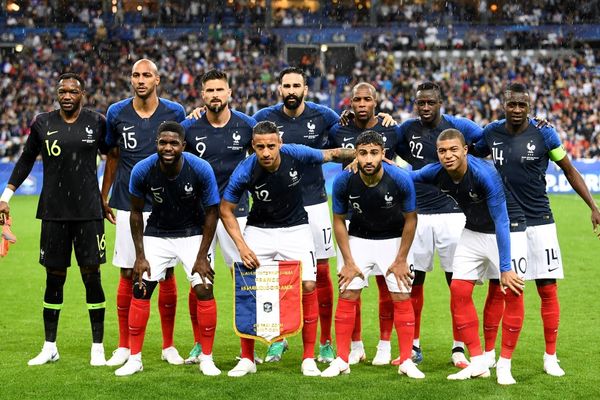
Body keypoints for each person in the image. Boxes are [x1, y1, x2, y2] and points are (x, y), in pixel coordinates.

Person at [474, 82, 600, 377]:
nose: (517, 110)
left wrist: (593, 207)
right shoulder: (491, 134)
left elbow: (569, 170)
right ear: (503, 105)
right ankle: (490, 354)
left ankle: (550, 356)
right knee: (501, 288)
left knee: (547, 289)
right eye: (511, 104)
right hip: (507, 224)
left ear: (529, 106)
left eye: (522, 105)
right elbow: (468, 152)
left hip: (541, 220)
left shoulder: (545, 133)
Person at [220, 121, 356, 377]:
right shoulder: (245, 170)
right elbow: (225, 209)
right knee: (249, 288)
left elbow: (332, 154)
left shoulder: (295, 153)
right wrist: (242, 245)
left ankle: (307, 358)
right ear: (253, 147)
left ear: (279, 144)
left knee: (308, 285)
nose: (266, 152)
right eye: (260, 147)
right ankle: (248, 358)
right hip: (259, 231)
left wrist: (360, 155)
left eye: (271, 146)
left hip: (296, 229)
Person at [0, 73, 109, 366]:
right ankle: (50, 346)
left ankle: (97, 347)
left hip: (88, 214)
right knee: (53, 279)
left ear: (82, 94)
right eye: (63, 90)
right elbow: (25, 160)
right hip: (53, 213)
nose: (67, 95)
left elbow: (114, 156)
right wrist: (6, 196)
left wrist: (105, 195)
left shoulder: (97, 122)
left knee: (92, 278)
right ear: (56, 93)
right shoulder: (42, 123)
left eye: (73, 91)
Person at [412, 129, 526, 385]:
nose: (448, 155)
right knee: (459, 291)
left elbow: (501, 219)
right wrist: (379, 168)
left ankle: (504, 365)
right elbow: (408, 177)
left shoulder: (484, 174)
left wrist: (505, 267)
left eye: (454, 149)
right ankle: (478, 362)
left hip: (509, 229)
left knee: (513, 292)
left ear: (465, 150)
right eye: (442, 151)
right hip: (473, 231)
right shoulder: (435, 172)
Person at [114, 121, 221, 377]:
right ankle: (135, 359)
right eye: (163, 142)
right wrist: (139, 256)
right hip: (157, 234)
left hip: (193, 233)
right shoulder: (142, 169)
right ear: (156, 144)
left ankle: (207, 358)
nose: (168, 147)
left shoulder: (200, 169)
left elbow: (212, 213)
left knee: (204, 289)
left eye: (174, 143)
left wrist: (202, 256)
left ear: (183, 145)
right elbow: (136, 213)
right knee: (140, 289)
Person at [102, 59, 187, 367]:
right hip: (127, 202)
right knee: (128, 271)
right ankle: (124, 346)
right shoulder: (117, 113)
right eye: (136, 75)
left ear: (157, 79)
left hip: (165, 203)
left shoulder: (174, 112)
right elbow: (113, 155)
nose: (140, 80)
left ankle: (168, 345)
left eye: (146, 75)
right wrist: (104, 194)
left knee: (166, 274)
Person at [252, 67, 339, 363]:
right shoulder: (265, 118)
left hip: (314, 204)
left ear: (305, 88)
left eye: (296, 85)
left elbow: (349, 135)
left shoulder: (323, 116)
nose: (291, 90)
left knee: (321, 274)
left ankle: (325, 340)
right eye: (286, 85)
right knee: (271, 277)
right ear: (279, 89)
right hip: (276, 210)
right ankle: (277, 338)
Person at [322, 131, 424, 379]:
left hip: (394, 240)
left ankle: (406, 361)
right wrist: (347, 261)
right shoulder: (344, 181)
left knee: (401, 295)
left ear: (383, 154)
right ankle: (342, 359)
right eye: (363, 153)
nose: (368, 159)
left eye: (374, 153)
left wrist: (401, 259)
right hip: (358, 240)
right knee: (347, 293)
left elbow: (411, 219)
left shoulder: (400, 178)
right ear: (356, 154)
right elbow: (338, 221)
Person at [395, 81, 483, 368]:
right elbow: (383, 143)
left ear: (440, 102)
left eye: (430, 102)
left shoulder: (459, 127)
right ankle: (414, 345)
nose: (424, 107)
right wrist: (380, 120)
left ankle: (459, 347)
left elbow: (492, 138)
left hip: (453, 215)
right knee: (414, 283)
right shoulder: (407, 129)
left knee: (456, 284)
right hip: (418, 216)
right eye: (420, 102)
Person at [180, 69, 257, 364]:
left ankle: (248, 352)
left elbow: (265, 159)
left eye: (219, 90)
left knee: (245, 280)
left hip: (237, 213)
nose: (214, 95)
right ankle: (200, 345)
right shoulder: (190, 129)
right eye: (209, 90)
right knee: (198, 280)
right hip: (198, 217)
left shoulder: (247, 126)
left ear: (229, 93)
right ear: (202, 95)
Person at [326, 82, 403, 365]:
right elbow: (323, 151)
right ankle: (355, 345)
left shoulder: (392, 129)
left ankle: (385, 345)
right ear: (350, 103)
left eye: (366, 99)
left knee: (388, 287)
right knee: (352, 284)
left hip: (389, 219)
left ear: (375, 102)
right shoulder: (339, 130)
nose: (361, 104)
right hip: (355, 220)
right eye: (356, 99)